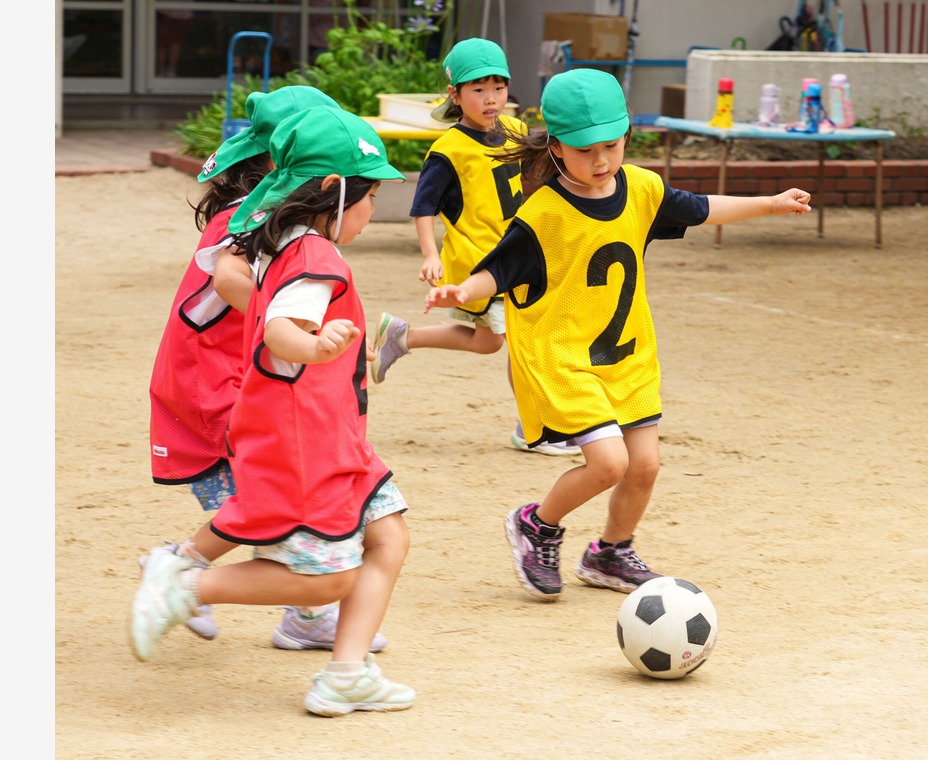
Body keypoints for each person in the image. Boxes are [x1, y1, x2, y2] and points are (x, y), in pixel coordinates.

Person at [424, 69, 812, 600]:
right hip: (564, 356)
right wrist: (462, 291)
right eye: (586, 151)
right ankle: (537, 524)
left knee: (645, 466)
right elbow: (499, 271)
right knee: (609, 463)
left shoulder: (641, 189)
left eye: (612, 145)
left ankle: (610, 551)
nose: (602, 160)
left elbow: (699, 208)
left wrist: (768, 204)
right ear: (556, 147)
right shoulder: (543, 215)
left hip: (627, 354)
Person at [132, 105, 415, 717]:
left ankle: (346, 672)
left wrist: (335, 346)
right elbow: (282, 325)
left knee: (388, 535)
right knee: (328, 577)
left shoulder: (277, 237)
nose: (374, 212)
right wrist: (313, 345)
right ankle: (184, 583)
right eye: (371, 197)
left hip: (332, 431)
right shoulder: (316, 256)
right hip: (305, 436)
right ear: (335, 194)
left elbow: (256, 294)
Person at [368, 38, 580, 457]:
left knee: (493, 341)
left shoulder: (516, 131)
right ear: (455, 95)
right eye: (478, 89)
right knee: (518, 341)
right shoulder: (448, 150)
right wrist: (430, 254)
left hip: (520, 256)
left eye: (498, 88)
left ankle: (402, 336)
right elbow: (423, 207)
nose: (491, 99)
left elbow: (547, 165)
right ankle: (533, 427)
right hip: (483, 262)